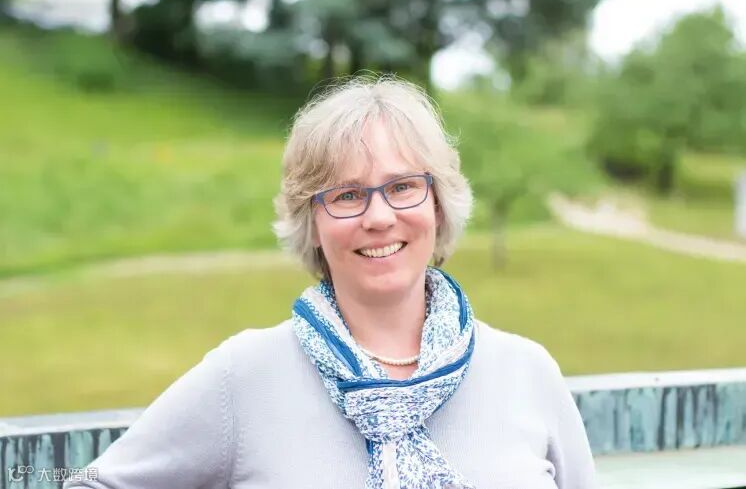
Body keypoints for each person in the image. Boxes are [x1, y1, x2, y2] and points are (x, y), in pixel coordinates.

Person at [64, 75, 596, 489]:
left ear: (438, 204)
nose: (379, 217)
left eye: (403, 186)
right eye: (346, 195)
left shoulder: (527, 373)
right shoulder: (244, 376)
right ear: (312, 222)